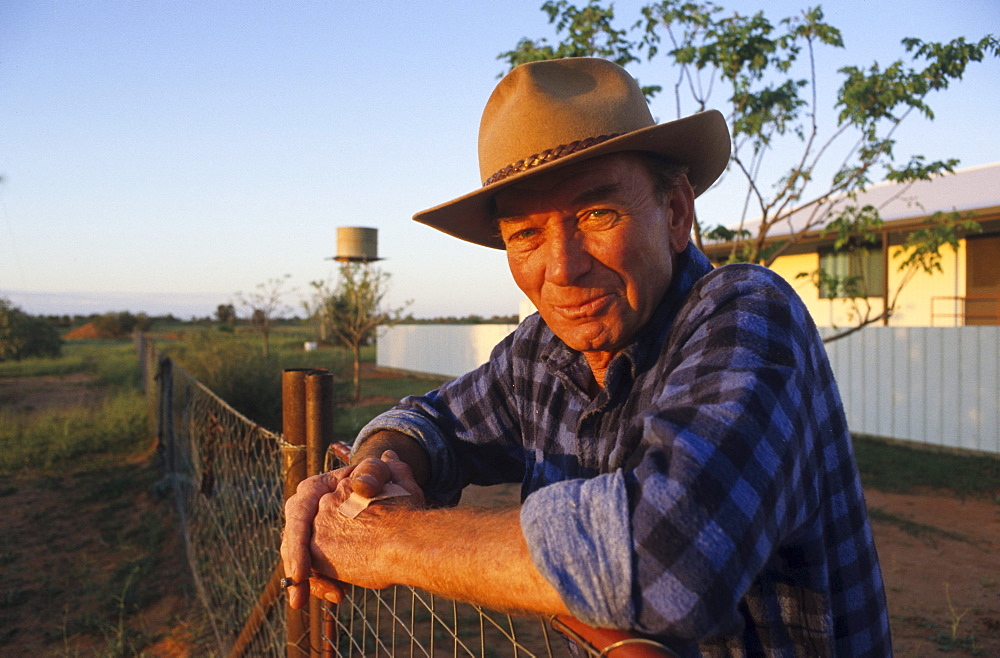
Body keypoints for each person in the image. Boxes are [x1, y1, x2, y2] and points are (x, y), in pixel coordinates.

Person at [281, 57, 892, 656]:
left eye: (598, 213)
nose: (563, 267)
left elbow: (668, 561)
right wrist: (367, 474)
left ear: (675, 212)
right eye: (525, 234)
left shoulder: (747, 312)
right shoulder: (541, 351)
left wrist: (387, 540)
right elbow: (431, 420)